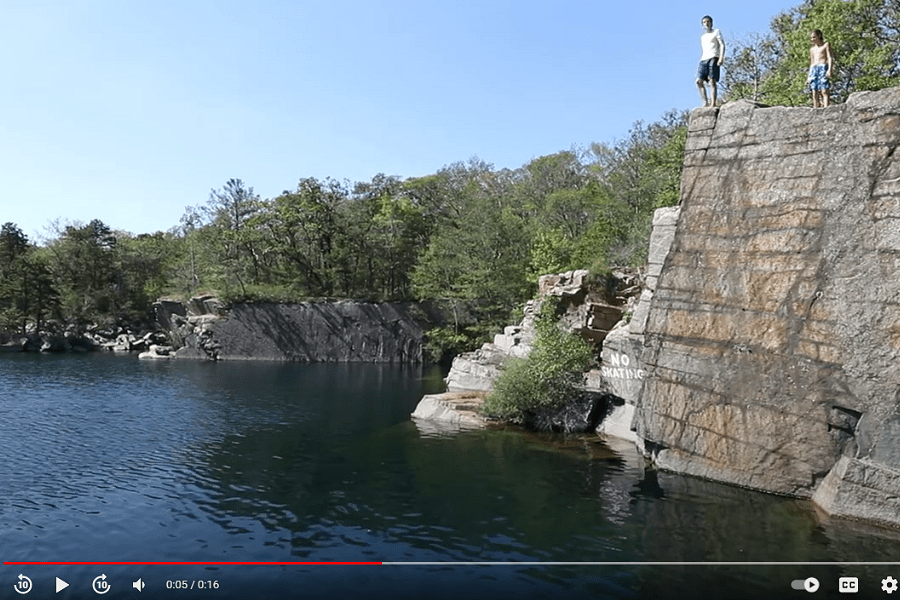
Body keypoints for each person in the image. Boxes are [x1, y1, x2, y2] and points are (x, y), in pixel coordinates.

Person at [696, 15, 725, 108]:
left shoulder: (716, 32)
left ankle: (713, 102)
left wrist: (721, 57)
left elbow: (722, 44)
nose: (706, 24)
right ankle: (705, 102)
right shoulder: (703, 37)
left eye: (708, 22)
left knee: (712, 80)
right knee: (699, 81)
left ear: (711, 23)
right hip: (704, 59)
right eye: (704, 22)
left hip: (714, 56)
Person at [808, 29, 834, 108]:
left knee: (824, 90)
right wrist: (809, 76)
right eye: (811, 38)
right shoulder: (812, 49)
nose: (812, 39)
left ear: (819, 36)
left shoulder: (826, 45)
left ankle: (826, 107)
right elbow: (811, 62)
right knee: (814, 91)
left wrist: (830, 69)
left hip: (823, 67)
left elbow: (830, 58)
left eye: (814, 37)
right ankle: (816, 108)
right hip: (814, 69)